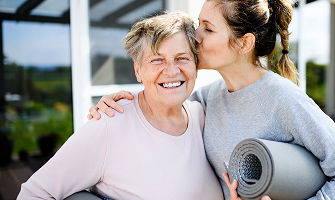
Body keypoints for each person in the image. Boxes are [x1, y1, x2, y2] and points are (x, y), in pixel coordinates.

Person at [88, 0, 335, 199]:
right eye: (198, 24)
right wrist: (121, 104)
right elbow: (159, 107)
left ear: (244, 43)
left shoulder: (283, 99)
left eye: (208, 28)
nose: (195, 37)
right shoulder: (207, 97)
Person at [17, 11, 223, 200]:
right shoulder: (110, 124)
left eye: (182, 58)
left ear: (195, 65)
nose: (171, 71)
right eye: (157, 60)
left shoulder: (201, 115)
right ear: (138, 70)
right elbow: (33, 194)